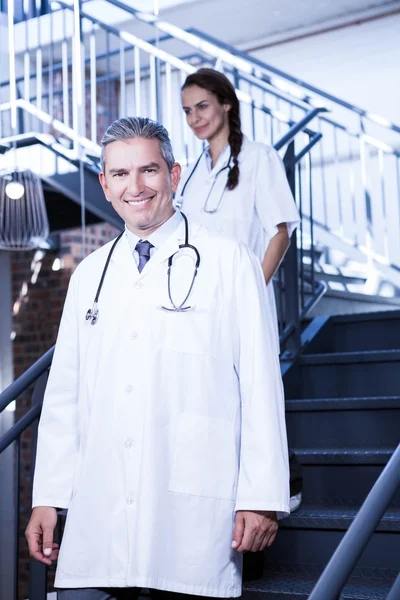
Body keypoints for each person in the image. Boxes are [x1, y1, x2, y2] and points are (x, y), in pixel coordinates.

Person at [25, 117, 290, 600]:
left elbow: (260, 385)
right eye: (120, 175)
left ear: (174, 173)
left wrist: (261, 497)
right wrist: (48, 496)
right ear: (105, 185)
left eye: (149, 170)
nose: (136, 187)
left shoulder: (230, 261)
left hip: (192, 515)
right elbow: (64, 398)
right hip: (97, 517)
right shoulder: (90, 275)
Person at [177, 68, 302, 513]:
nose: (195, 118)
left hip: (243, 297)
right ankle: (222, 500)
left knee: (254, 396)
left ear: (226, 103)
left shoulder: (259, 157)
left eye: (203, 106)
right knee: (213, 403)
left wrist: (251, 288)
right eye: (188, 111)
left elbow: (279, 232)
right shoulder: (191, 173)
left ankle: (270, 495)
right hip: (198, 305)